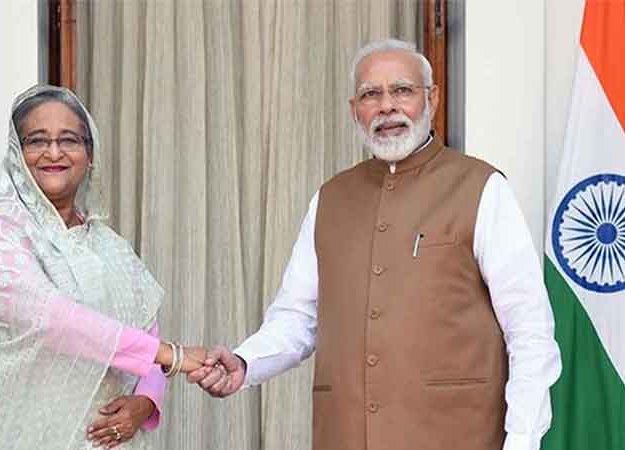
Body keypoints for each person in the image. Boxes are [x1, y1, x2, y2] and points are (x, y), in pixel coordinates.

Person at [189, 39, 562, 450]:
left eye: (402, 90)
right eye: (371, 94)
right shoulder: (331, 198)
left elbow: (529, 327)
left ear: (432, 99)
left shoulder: (481, 188)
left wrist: (522, 439)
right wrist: (245, 363)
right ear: (355, 110)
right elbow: (297, 317)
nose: (387, 106)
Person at [0, 85, 204, 450]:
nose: (53, 152)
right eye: (36, 140)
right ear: (17, 154)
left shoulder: (110, 246)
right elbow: (52, 319)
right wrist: (174, 356)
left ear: (89, 154)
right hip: (16, 436)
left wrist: (145, 402)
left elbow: (147, 332)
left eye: (69, 140)